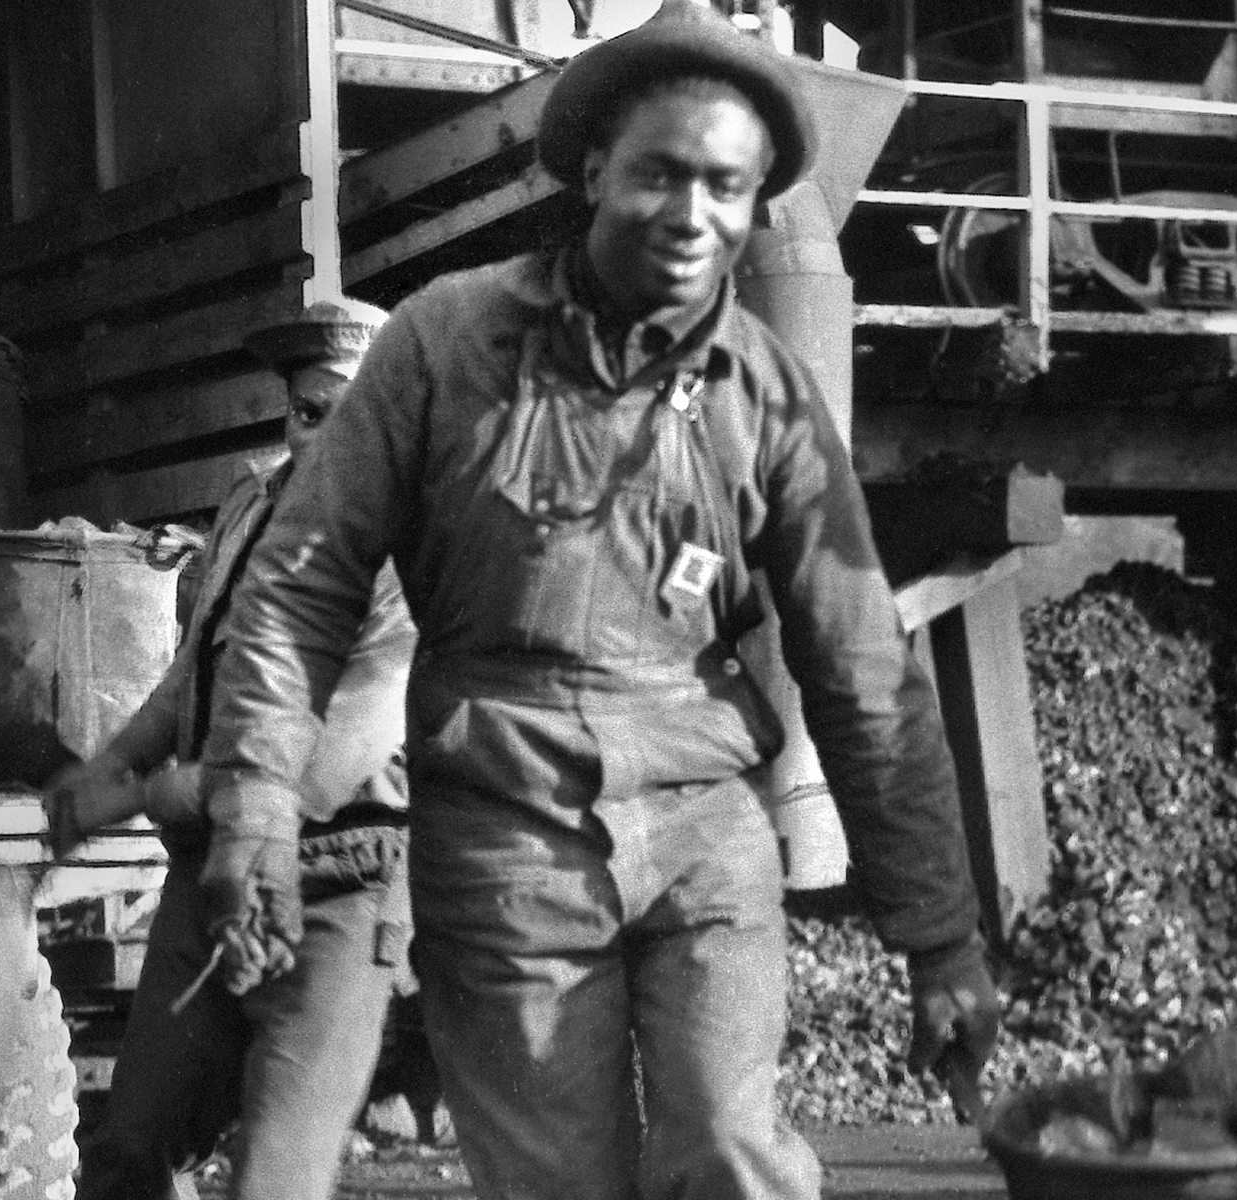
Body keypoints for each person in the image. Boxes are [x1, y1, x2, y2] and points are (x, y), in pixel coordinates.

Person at [188, 5, 1002, 1197]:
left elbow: (860, 663)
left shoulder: (764, 393)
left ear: (756, 200)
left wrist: (940, 938)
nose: (690, 215)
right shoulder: (443, 345)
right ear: (591, 173)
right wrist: (256, 807)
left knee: (731, 1153)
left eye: (726, 187)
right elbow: (300, 588)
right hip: (503, 833)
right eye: (659, 175)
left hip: (700, 828)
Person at [44, 299, 417, 1200]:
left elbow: (313, 774)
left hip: (338, 888)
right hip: (207, 883)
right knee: (129, 1153)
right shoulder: (255, 503)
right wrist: (107, 765)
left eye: (347, 414)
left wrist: (138, 798)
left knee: (273, 1183)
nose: (319, 438)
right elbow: (189, 675)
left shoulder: (409, 550)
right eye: (304, 412)